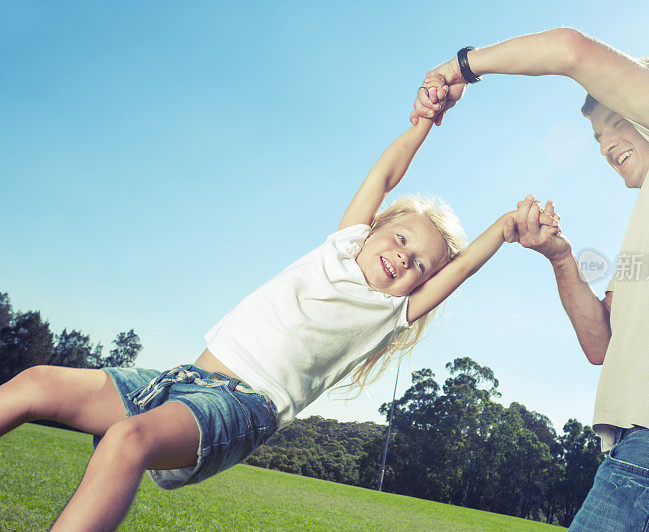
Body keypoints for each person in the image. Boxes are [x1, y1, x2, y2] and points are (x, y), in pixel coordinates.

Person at [0, 73, 559, 530]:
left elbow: (458, 268)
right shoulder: (343, 244)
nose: (405, 260)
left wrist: (505, 228)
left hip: (240, 407)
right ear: (377, 228)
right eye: (403, 240)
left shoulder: (389, 312)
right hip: (181, 377)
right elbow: (387, 173)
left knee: (127, 441)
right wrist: (424, 121)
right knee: (34, 384)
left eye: (420, 267)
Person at [413, 30, 649, 530]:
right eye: (597, 138)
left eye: (616, 122)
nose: (605, 146)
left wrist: (461, 67)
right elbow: (602, 345)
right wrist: (560, 256)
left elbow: (571, 49)